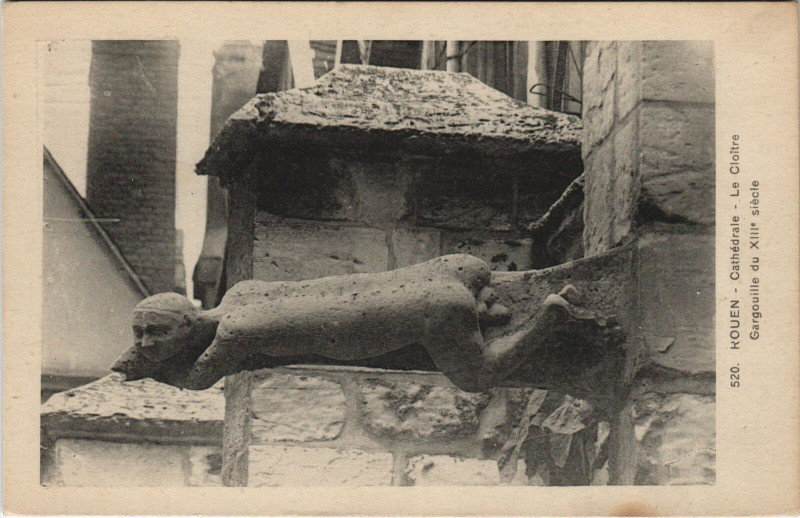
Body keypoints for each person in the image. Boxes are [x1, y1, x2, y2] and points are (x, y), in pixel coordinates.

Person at [113, 254, 617, 392]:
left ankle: (549, 317)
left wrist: (135, 365)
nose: (146, 341)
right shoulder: (241, 293)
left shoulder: (236, 335)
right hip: (433, 277)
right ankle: (494, 306)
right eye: (140, 334)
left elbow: (195, 381)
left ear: (188, 322)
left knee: (477, 377)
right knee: (466, 313)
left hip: (417, 310)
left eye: (156, 331)